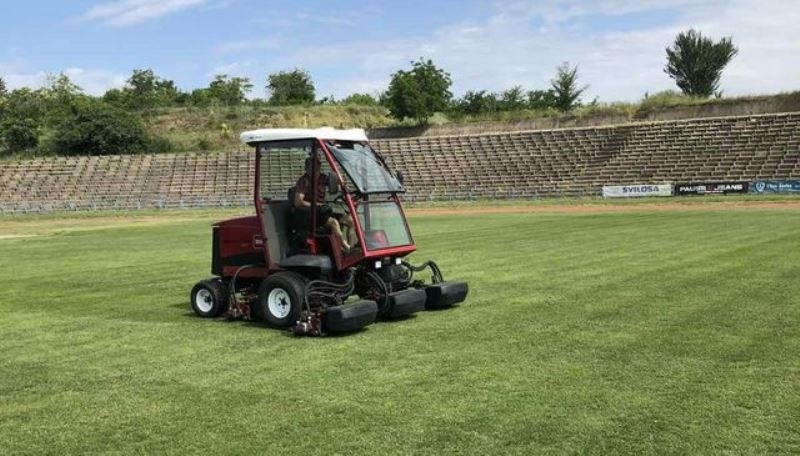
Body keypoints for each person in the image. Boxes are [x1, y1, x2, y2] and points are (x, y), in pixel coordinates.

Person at [293, 155, 356, 251]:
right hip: (310, 215)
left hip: (323, 211)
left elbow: (337, 185)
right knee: (333, 222)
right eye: (312, 168)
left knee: (350, 220)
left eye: (317, 168)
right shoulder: (304, 182)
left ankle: (352, 248)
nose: (315, 171)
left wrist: (346, 190)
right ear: (306, 169)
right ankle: (346, 248)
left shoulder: (323, 178)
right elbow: (298, 202)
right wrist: (316, 205)